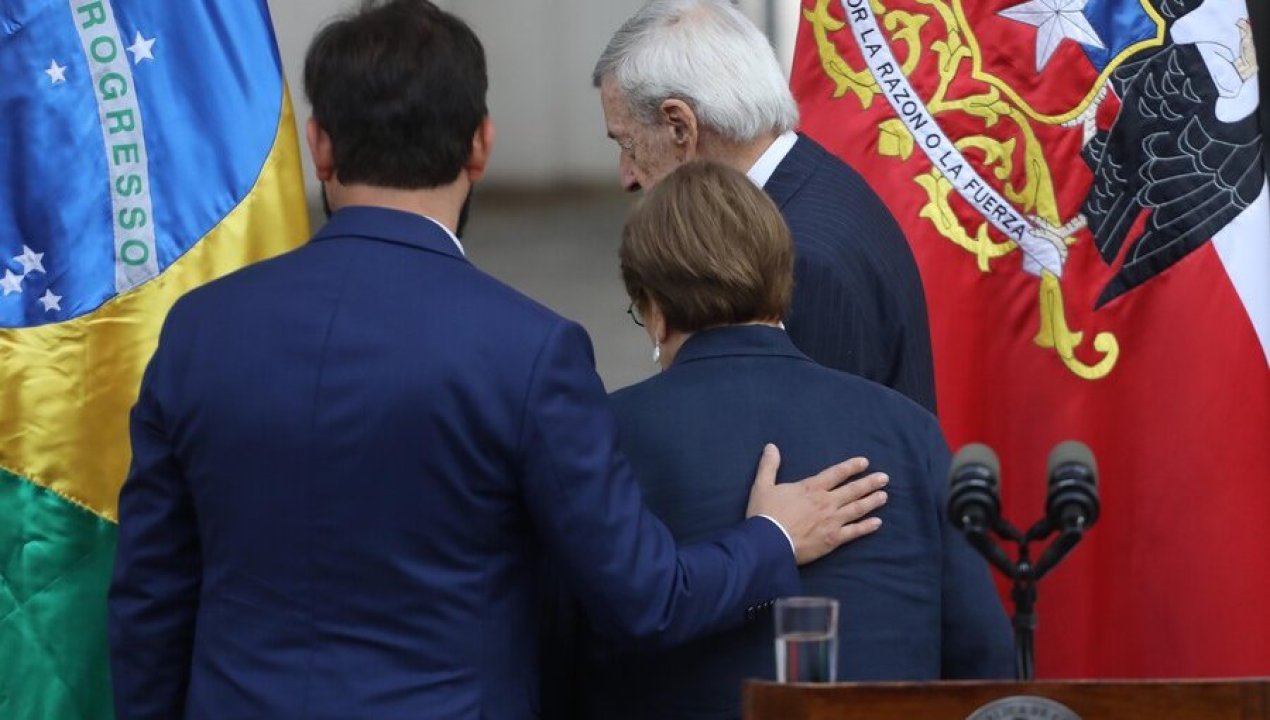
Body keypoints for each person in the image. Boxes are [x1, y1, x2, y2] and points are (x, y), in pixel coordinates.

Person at [106, 3, 890, 719]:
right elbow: (643, 599)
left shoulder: (200, 330)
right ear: (482, 143)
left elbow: (150, 601)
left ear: (319, 145)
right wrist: (771, 538)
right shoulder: (529, 352)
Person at [576, 161, 1013, 720]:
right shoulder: (908, 430)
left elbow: (568, 645)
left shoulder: (606, 434)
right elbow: (985, 659)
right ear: (782, 284)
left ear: (654, 311)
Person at [593, 0, 938, 412]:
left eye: (628, 144)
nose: (627, 176)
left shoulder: (800, 258)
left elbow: (818, 439)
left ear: (680, 126)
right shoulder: (806, 188)